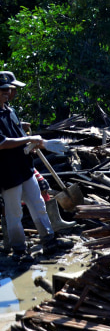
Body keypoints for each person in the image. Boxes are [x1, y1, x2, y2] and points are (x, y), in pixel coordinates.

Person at [0, 73, 56, 261]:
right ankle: (18, 250)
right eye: (3, 90)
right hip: (7, 172)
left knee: (38, 204)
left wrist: (31, 144)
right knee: (14, 212)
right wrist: (30, 139)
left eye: (8, 89)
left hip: (24, 168)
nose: (8, 93)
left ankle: (49, 240)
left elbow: (18, 135)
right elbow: (2, 143)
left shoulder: (9, 111)